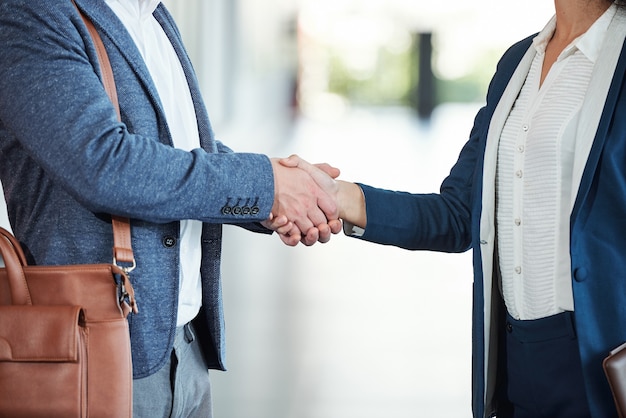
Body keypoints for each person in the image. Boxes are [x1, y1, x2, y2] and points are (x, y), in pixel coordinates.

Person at [279, 0, 626, 416]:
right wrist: (338, 196)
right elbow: (461, 213)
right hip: (518, 365)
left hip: (601, 362)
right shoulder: (520, 62)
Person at [0, 0, 339, 417]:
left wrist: (271, 199)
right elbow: (106, 164)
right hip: (96, 348)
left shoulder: (155, 18)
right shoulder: (33, 13)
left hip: (185, 347)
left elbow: (180, 154)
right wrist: (268, 186)